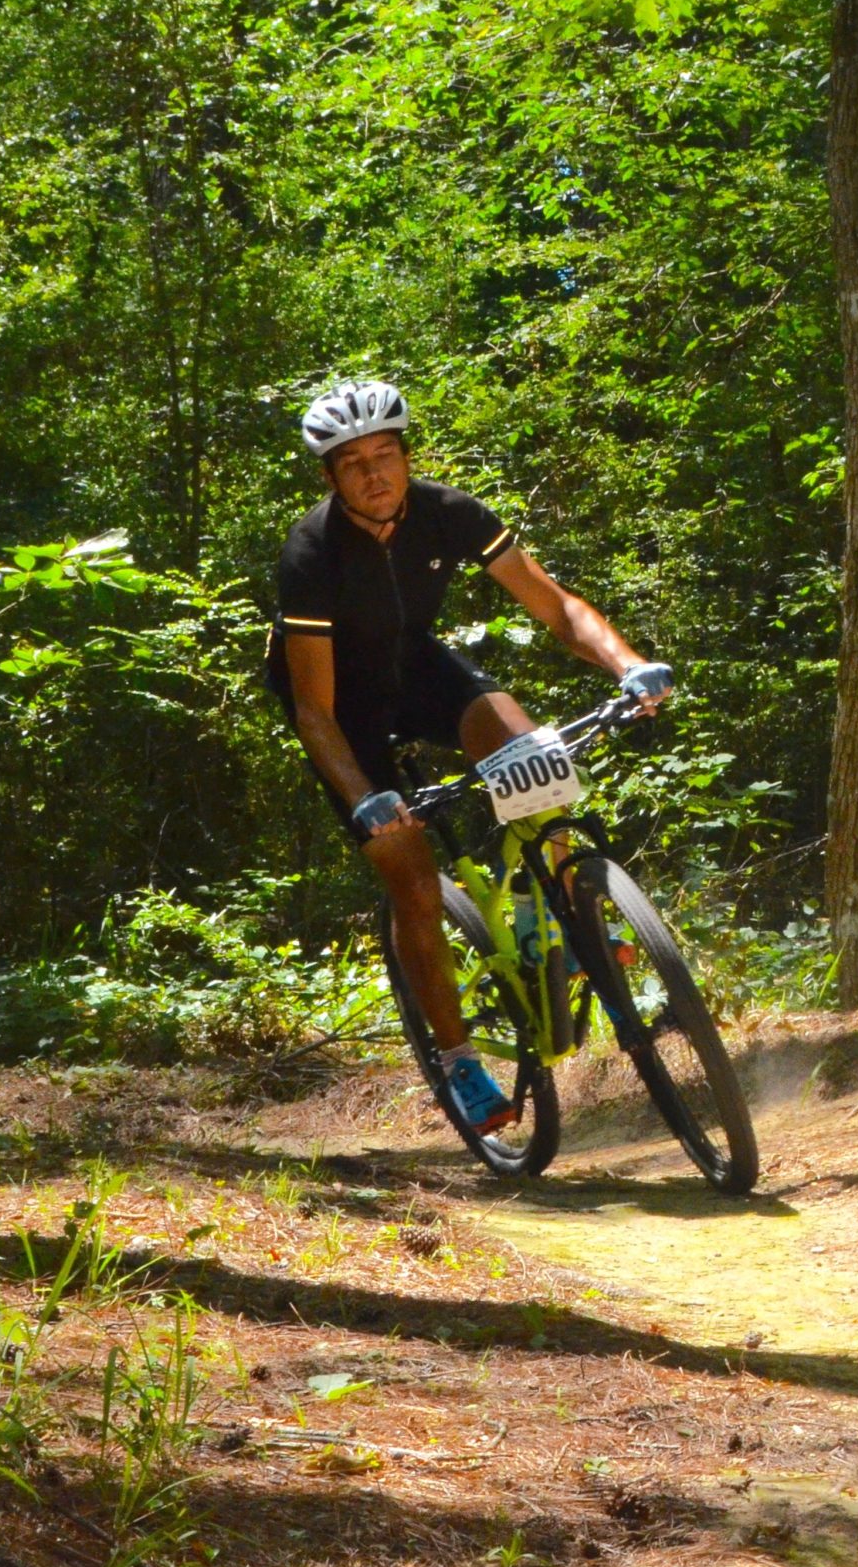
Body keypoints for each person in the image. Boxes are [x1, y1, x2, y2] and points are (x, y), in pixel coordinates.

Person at [267, 378, 672, 1132]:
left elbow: (558, 607)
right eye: (353, 463)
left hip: (415, 668)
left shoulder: (448, 512)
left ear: (407, 456)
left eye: (385, 454)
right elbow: (314, 710)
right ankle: (458, 1063)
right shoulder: (311, 554)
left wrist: (628, 664)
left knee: (532, 753)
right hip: (341, 707)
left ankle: (557, 922)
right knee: (414, 881)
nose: (374, 474)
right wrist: (364, 798)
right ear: (330, 477)